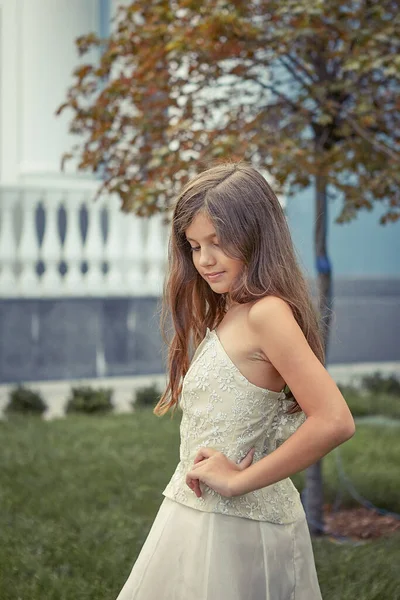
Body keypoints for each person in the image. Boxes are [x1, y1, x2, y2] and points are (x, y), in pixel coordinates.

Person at [116, 162, 355, 600]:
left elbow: (335, 420)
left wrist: (239, 481)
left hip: (237, 530)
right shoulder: (229, 309)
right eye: (194, 245)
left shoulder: (268, 313)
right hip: (192, 513)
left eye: (218, 243)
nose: (204, 260)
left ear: (255, 236)